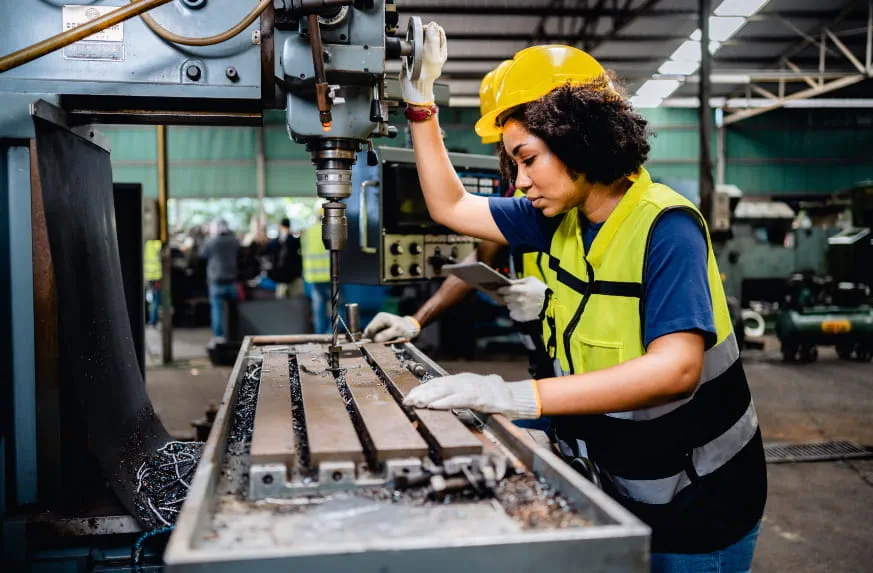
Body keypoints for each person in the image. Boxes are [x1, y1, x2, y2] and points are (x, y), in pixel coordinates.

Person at [398, 26, 767, 570]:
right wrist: (420, 106)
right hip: (624, 483)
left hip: (699, 505)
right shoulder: (559, 217)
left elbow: (677, 369)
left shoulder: (666, 227)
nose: (520, 181)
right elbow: (451, 206)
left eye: (527, 158)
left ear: (577, 138)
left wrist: (519, 397)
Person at [365, 58, 557, 385]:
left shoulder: (658, 226)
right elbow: (478, 253)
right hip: (551, 364)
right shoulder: (528, 205)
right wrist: (415, 321)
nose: (521, 178)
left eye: (528, 158)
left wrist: (557, 303)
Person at [200, 218, 240, 343]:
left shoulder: (212, 242)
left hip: (216, 281)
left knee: (217, 309)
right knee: (233, 310)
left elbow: (202, 254)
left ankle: (219, 336)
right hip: (232, 280)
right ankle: (234, 335)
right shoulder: (234, 241)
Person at [301, 216, 332, 334]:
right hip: (330, 276)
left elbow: (303, 251)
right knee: (336, 306)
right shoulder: (331, 230)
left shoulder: (308, 231)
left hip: (313, 276)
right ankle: (331, 333)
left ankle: (319, 334)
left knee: (319, 308)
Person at [266, 217, 304, 298]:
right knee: (295, 300)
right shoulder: (294, 240)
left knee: (282, 301)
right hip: (293, 275)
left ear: (280, 226)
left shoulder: (276, 241)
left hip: (283, 275)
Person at [143, 238, 162, 327]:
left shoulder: (147, 244)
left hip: (149, 276)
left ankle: (150, 320)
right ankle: (153, 321)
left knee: (150, 299)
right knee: (155, 300)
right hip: (156, 277)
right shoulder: (158, 244)